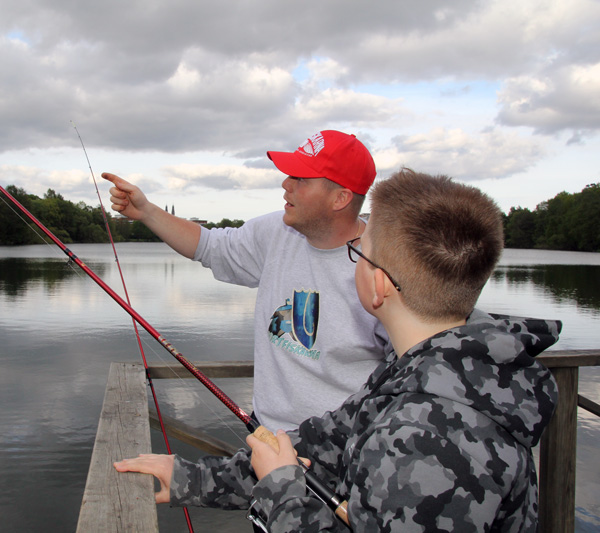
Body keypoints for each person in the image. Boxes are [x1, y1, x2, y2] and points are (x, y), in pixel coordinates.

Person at [114, 169, 560, 531]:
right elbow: (322, 445)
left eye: (360, 254)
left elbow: (300, 471)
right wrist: (191, 478)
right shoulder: (414, 378)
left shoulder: (425, 443)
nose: (353, 261)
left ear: (377, 284)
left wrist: (283, 486)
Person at [102, 130, 390, 431]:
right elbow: (210, 246)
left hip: (342, 453)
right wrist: (147, 212)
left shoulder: (386, 267)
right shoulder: (276, 232)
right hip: (265, 435)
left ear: (340, 198)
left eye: (301, 178)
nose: (285, 183)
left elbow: (408, 372)